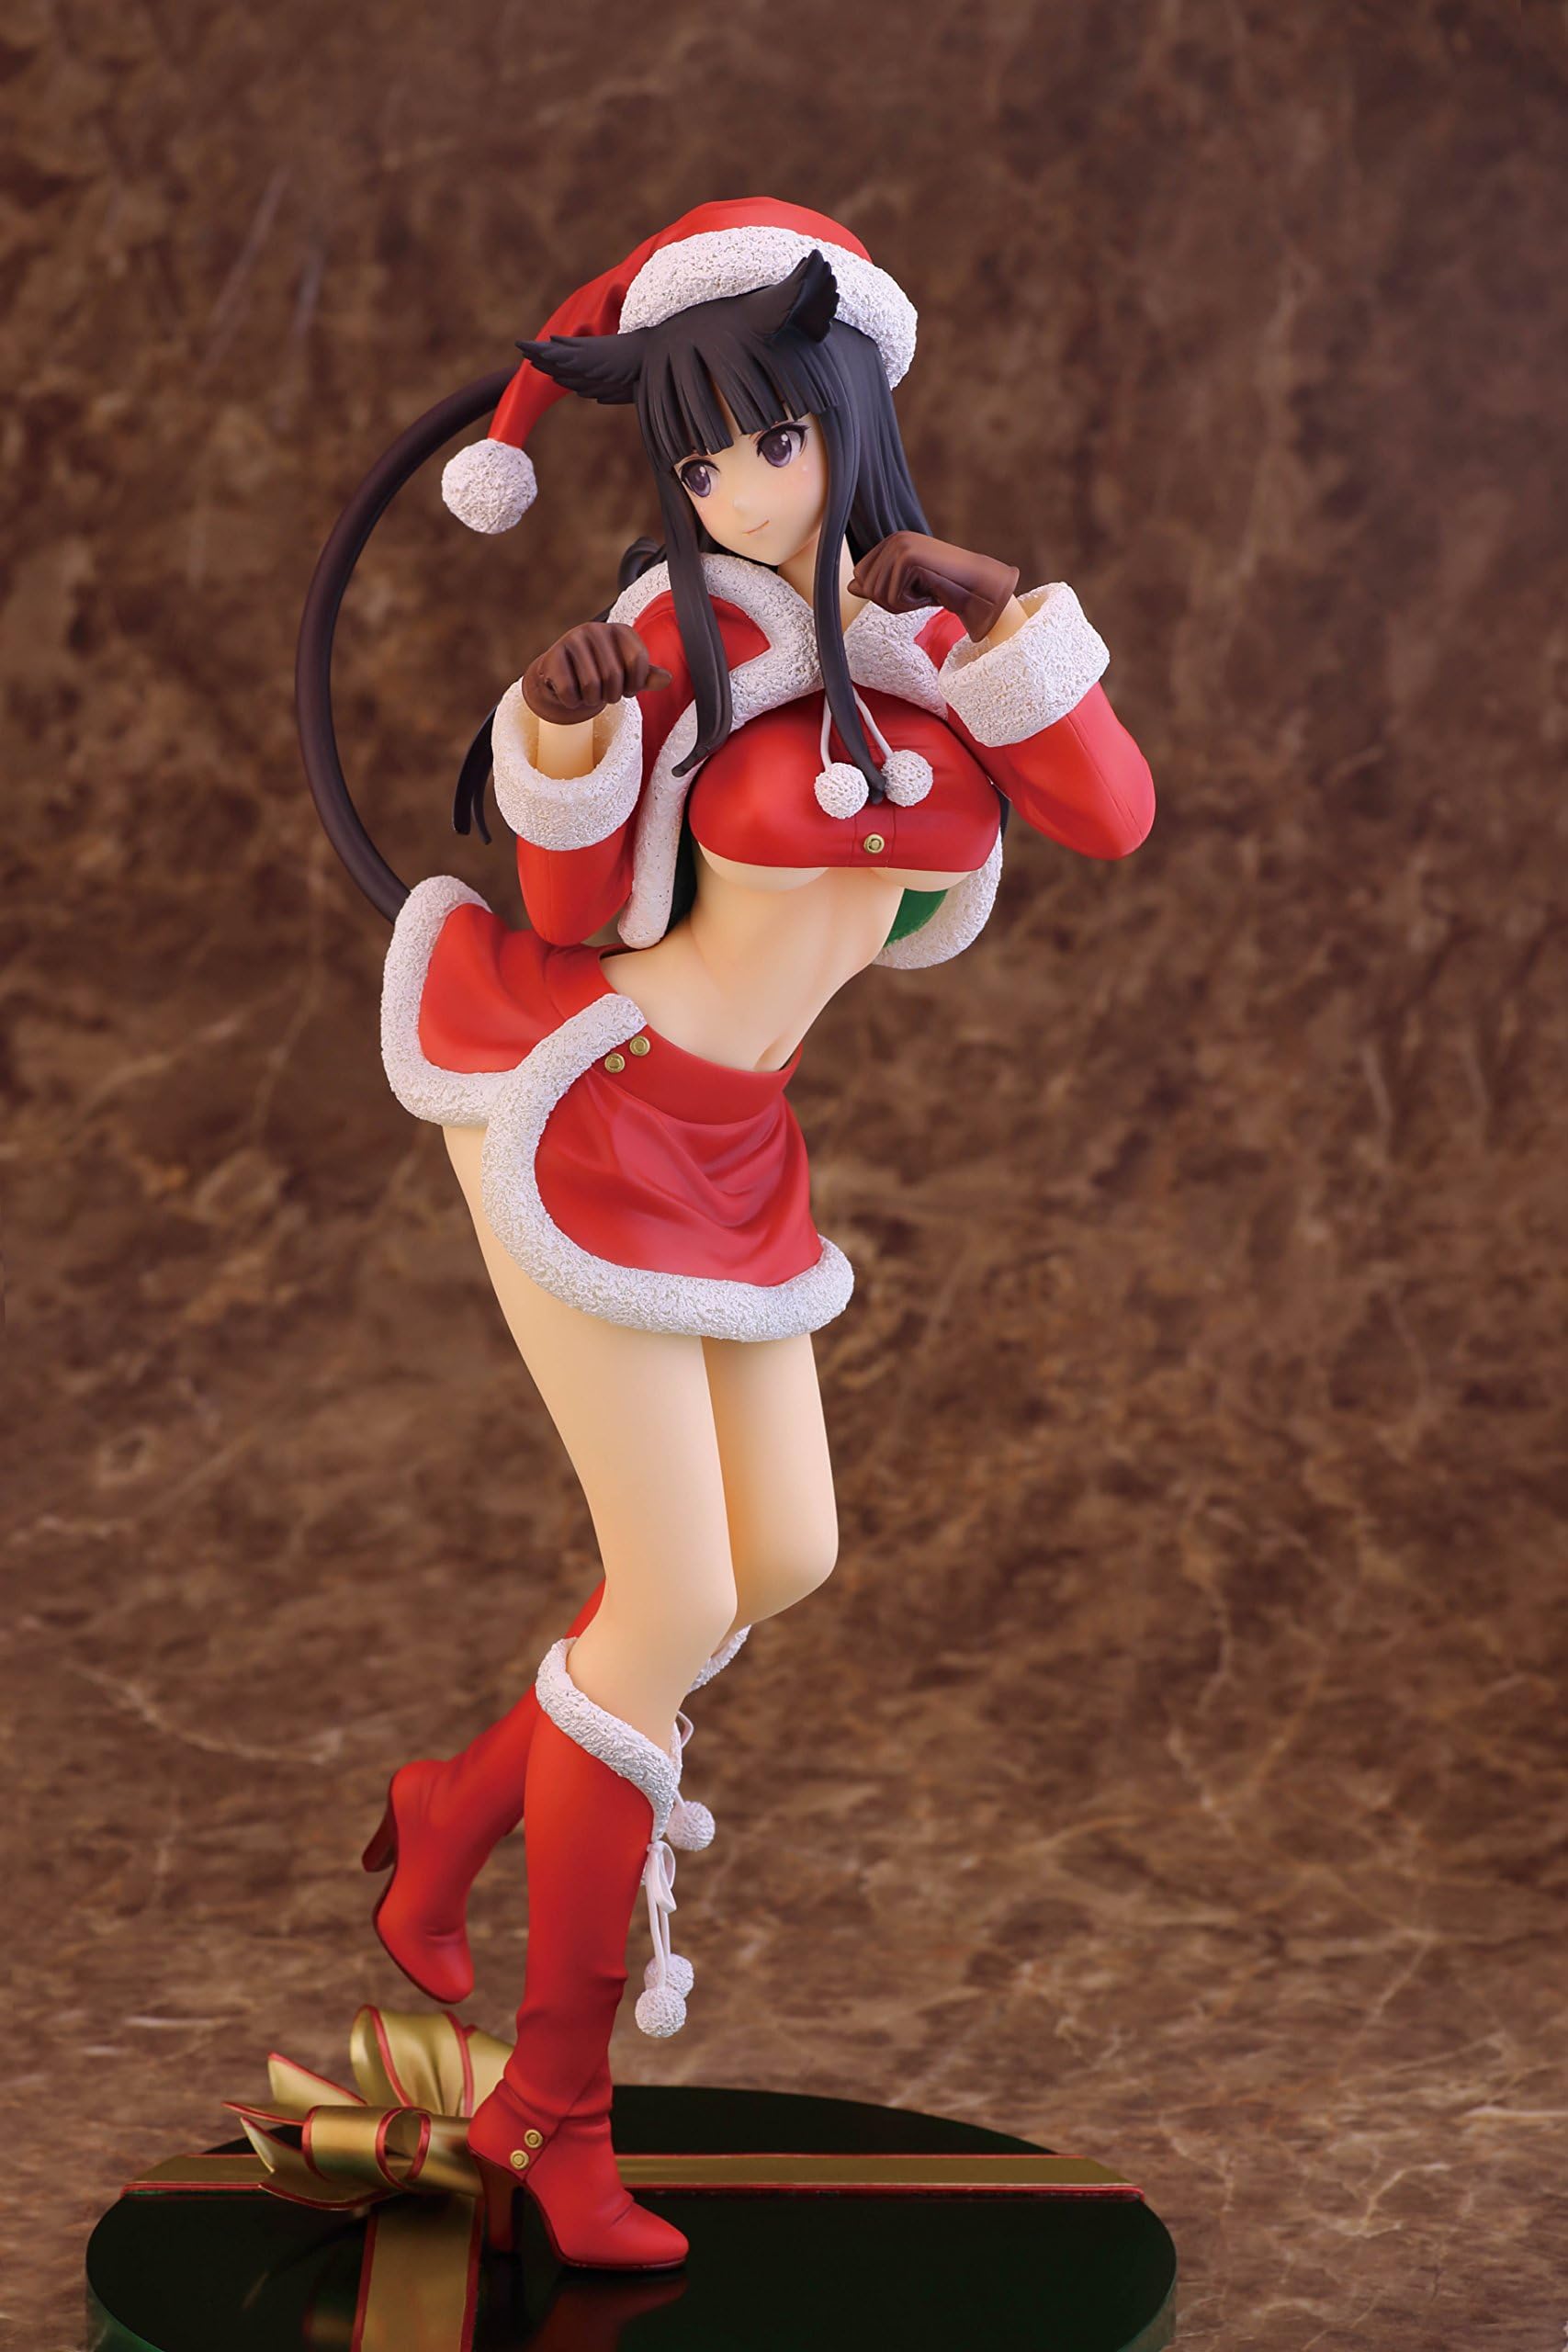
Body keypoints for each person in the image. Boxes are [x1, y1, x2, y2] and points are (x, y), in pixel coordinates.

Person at [360, 196, 1156, 2267]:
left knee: (781, 1555)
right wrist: (561, 735)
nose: (738, 487)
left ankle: (451, 1812)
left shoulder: (918, 643)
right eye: (697, 455)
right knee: (670, 1591)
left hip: (738, 1145)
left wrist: (1003, 615)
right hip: (587, 1104)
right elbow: (565, 913)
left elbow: (1110, 813)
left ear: (851, 415)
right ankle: (549, 2111)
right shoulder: (662, 644)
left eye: (773, 438)